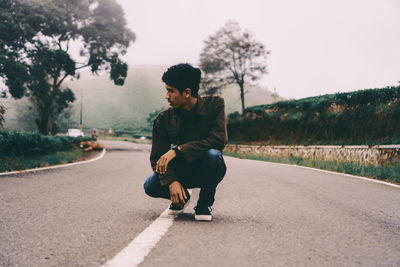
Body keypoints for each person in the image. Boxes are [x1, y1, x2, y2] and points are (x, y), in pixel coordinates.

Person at [143, 63, 228, 221]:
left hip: (207, 168)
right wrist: (172, 181)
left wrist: (178, 150)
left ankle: (204, 203)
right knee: (149, 185)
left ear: (187, 92)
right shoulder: (163, 119)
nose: (166, 96)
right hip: (180, 172)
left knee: (213, 155)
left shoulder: (214, 105)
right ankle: (181, 197)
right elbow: (157, 158)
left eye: (170, 91)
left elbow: (218, 139)